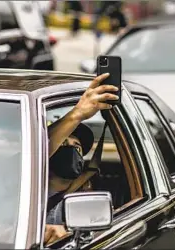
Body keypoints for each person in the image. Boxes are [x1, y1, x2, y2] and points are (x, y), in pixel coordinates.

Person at [44, 73, 119, 245]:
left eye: (76, 146)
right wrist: (77, 114)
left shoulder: (86, 199)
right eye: (62, 144)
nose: (70, 149)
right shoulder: (25, 191)